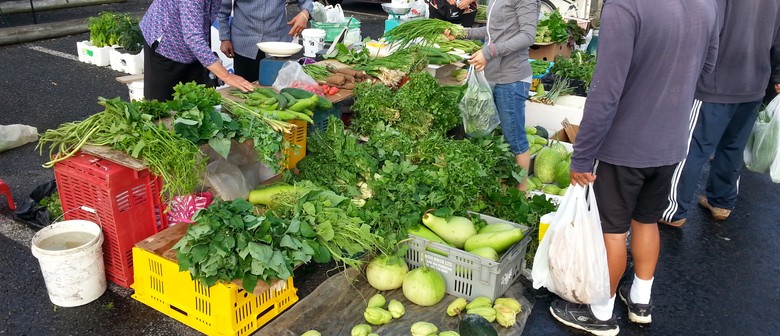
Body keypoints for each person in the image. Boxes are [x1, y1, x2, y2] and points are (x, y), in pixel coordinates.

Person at [551, 0, 719, 335]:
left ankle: (600, 314)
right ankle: (640, 300)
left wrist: (583, 155)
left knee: (612, 231)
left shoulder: (626, 5)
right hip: (670, 141)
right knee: (646, 220)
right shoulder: (706, 3)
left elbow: (606, 91)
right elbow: (708, 66)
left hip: (624, 145)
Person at [660, 0, 780, 227]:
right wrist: (777, 76)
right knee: (734, 146)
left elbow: (705, 25)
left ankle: (673, 209)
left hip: (715, 82)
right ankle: (721, 202)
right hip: (754, 82)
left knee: (693, 146)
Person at [446, 0, 538, 189]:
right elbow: (492, 32)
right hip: (493, 77)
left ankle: (520, 197)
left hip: (511, 78)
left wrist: (489, 52)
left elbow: (527, 36)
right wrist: (463, 33)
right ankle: (500, 187)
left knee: (514, 140)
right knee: (487, 133)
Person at [218, 0, 313, 83]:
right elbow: (222, 10)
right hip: (244, 44)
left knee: (278, 89)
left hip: (278, 44)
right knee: (245, 91)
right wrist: (224, 38)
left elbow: (306, 2)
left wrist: (305, 14)